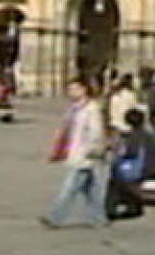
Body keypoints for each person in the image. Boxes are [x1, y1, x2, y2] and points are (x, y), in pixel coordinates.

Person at [41, 78, 109, 230]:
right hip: (75, 153)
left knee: (69, 189)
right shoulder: (74, 109)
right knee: (91, 191)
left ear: (83, 89)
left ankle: (55, 218)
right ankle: (99, 219)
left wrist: (91, 150)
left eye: (74, 89)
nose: (70, 92)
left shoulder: (92, 109)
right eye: (70, 89)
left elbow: (96, 132)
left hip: (84, 156)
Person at [107, 108, 155, 219]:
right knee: (119, 177)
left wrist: (118, 151)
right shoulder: (148, 135)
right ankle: (132, 206)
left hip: (140, 169)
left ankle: (112, 209)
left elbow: (128, 153)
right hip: (149, 166)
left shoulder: (133, 136)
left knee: (115, 179)